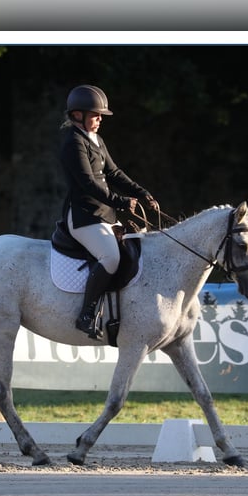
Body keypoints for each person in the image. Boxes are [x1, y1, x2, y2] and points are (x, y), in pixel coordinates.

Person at [59, 84, 160, 338]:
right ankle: (86, 314)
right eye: (95, 115)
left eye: (101, 115)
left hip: (103, 215)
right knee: (111, 258)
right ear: (77, 115)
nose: (100, 119)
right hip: (84, 216)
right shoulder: (73, 143)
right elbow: (88, 184)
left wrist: (140, 192)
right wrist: (121, 201)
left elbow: (113, 173)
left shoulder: (96, 139)